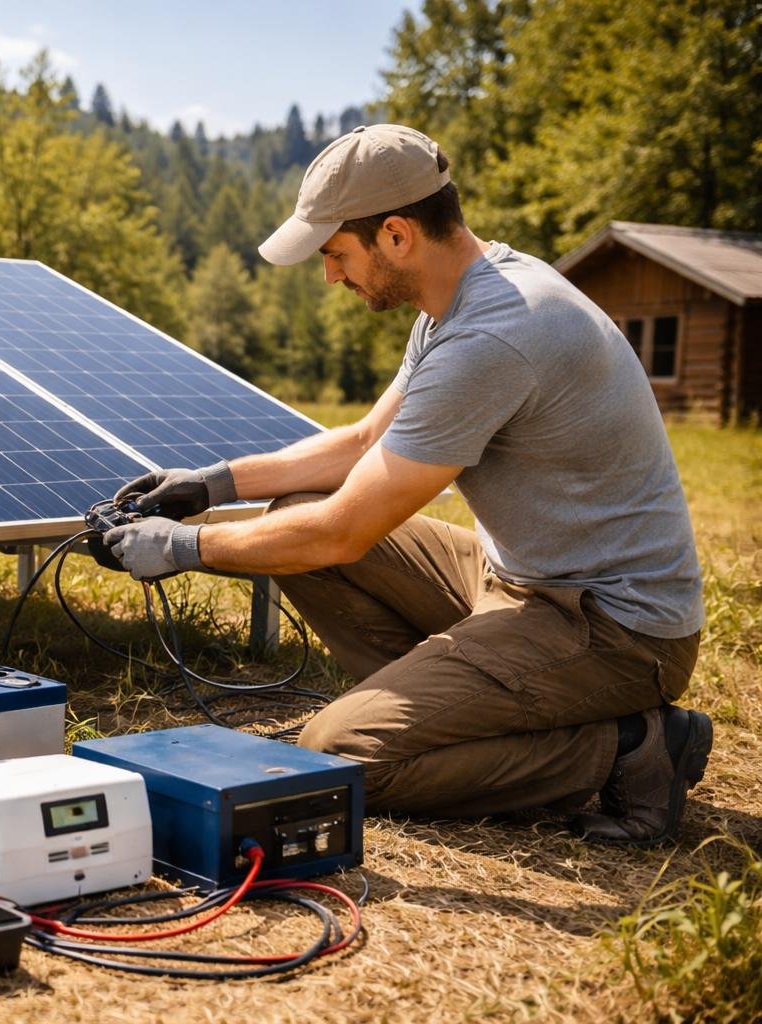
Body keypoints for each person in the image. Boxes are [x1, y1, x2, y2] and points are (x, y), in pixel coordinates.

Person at [104, 124, 708, 845]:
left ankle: (629, 750)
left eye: (336, 254)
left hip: (614, 629)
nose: (330, 276)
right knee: (295, 507)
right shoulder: (458, 303)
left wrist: (184, 549)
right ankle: (448, 715)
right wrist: (211, 485)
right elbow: (363, 443)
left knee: (342, 753)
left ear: (395, 235)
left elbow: (345, 531)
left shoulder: (496, 334)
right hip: (520, 582)